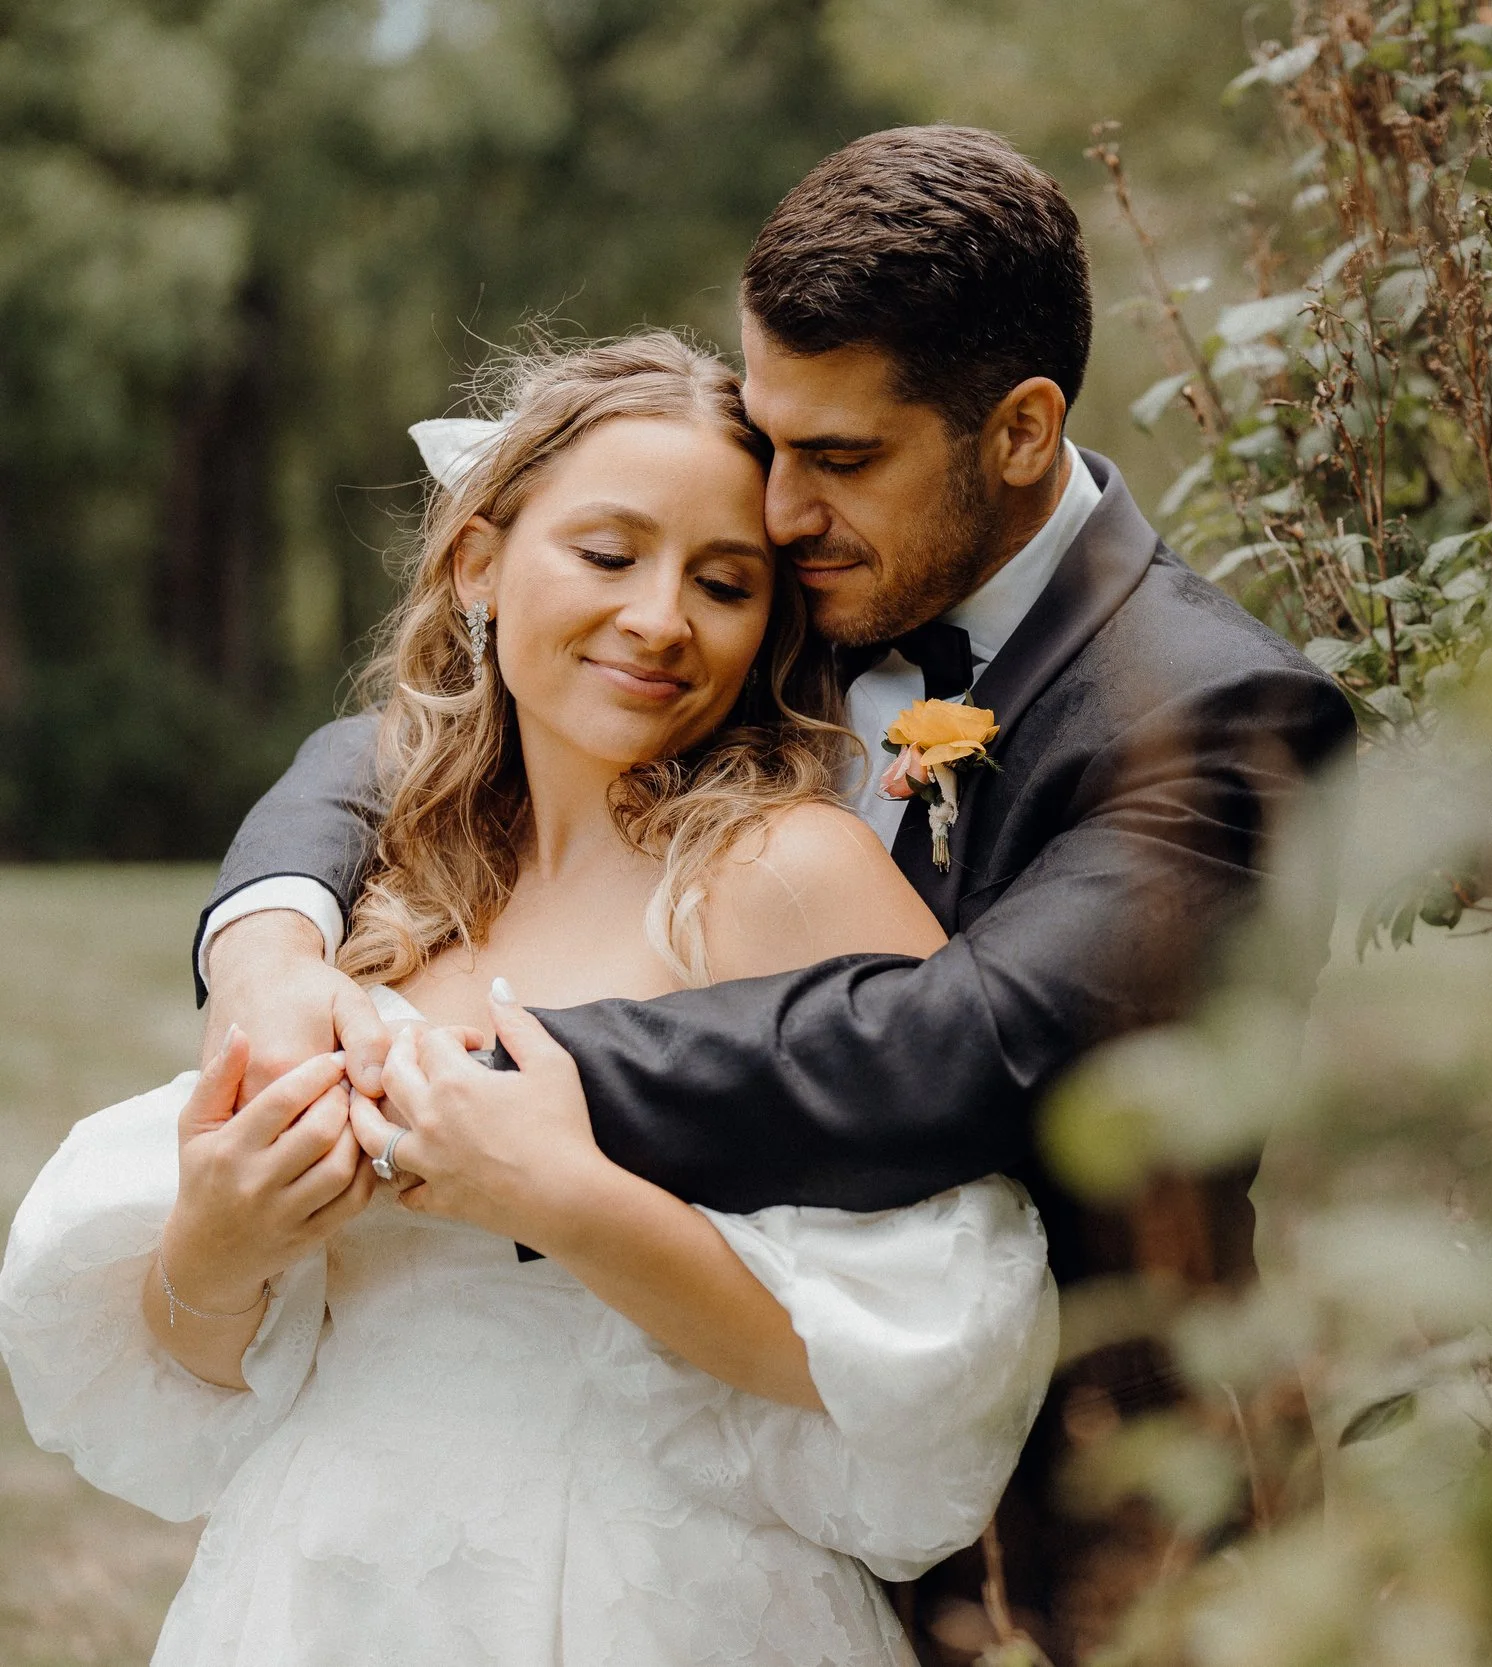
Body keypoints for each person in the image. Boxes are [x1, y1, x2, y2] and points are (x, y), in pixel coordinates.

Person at [191, 126, 1355, 1656]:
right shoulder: (813, 576)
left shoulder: (1214, 717)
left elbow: (970, 1043)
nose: (781, 508)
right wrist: (272, 930)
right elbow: (461, 719)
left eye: (841, 456)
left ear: (1017, 431)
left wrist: (462, 1070)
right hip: (734, 1506)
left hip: (1092, 1536)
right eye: (770, 436)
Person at [0, 334, 1057, 1666]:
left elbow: (934, 1337)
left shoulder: (785, 877)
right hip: (320, 1590)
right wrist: (214, 1253)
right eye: (609, 555)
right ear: (479, 561)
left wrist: (561, 1195)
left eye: (723, 582)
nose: (662, 617)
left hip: (652, 1600)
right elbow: (211, 1384)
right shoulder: (380, 880)